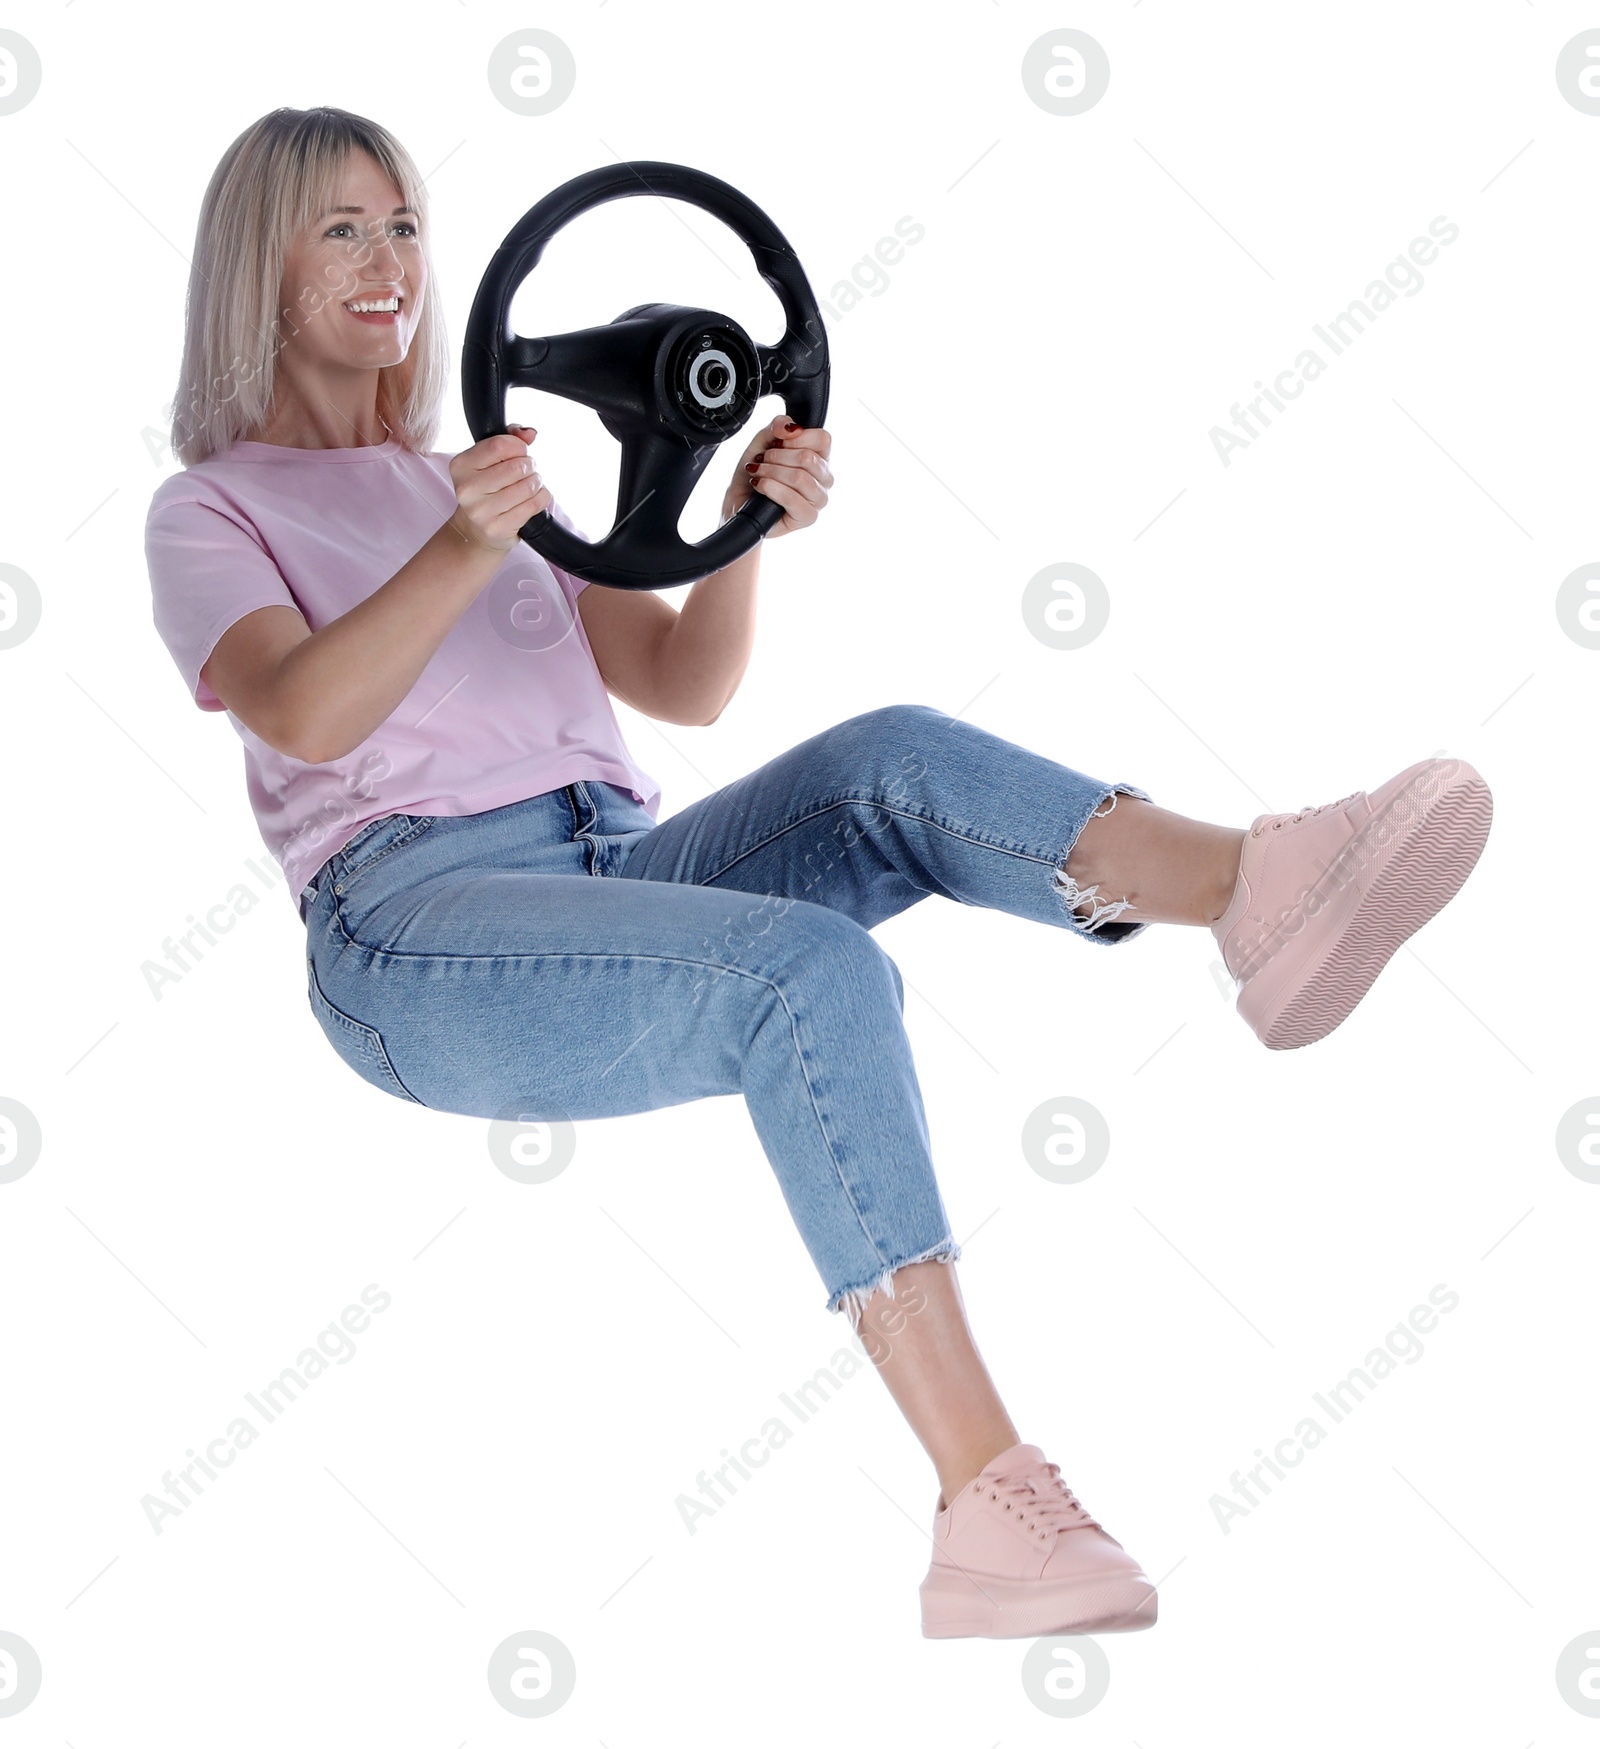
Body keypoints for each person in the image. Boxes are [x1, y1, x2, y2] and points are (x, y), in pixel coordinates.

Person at [145, 107, 1493, 1641]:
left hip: (606, 858)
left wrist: (738, 525)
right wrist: (463, 544)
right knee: (811, 966)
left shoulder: (474, 480)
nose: (390, 261)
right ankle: (987, 1503)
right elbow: (302, 708)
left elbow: (679, 680)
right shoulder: (212, 509)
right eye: (342, 229)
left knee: (890, 759)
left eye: (402, 224)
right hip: (405, 931)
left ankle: (1262, 889)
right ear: (261, 264)